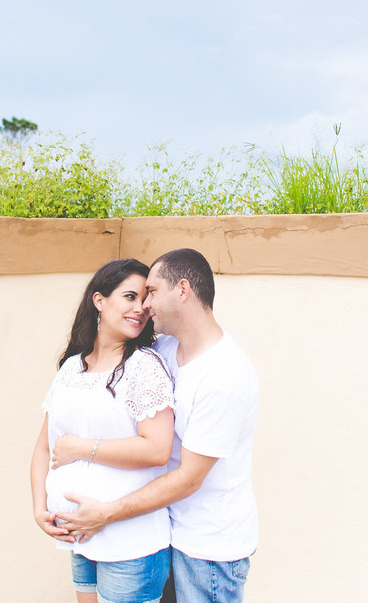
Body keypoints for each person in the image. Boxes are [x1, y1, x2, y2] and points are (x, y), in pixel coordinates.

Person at [62, 248, 260, 603]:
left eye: (151, 291)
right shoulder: (168, 348)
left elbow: (189, 477)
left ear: (182, 290)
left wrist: (106, 513)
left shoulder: (225, 376)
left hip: (208, 548)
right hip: (166, 531)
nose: (145, 304)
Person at [30, 258, 176, 603]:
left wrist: (83, 447)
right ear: (100, 300)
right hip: (80, 536)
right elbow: (42, 448)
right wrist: (39, 507)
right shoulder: (71, 367)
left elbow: (157, 449)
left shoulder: (144, 366)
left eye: (145, 299)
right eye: (129, 297)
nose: (140, 308)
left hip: (130, 543)